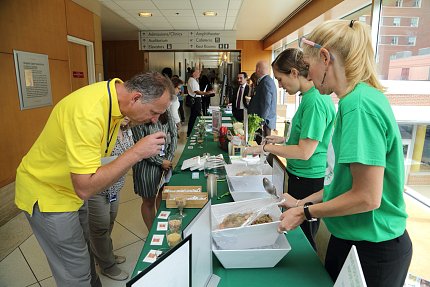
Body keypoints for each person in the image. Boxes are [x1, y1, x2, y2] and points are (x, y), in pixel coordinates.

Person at [278, 20, 413, 286]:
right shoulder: (356, 99)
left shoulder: (358, 107)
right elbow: (345, 185)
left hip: (374, 248)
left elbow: (367, 197)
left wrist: (306, 213)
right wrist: (301, 203)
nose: (309, 76)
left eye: (309, 65)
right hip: (356, 241)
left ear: (325, 58)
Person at [15, 72, 174, 287]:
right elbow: (85, 187)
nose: (155, 119)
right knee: (75, 271)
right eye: (154, 112)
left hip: (69, 190)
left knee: (84, 254)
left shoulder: (114, 100)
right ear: (136, 98)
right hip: (49, 193)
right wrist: (136, 152)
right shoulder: (89, 112)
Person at [243, 48, 335, 250]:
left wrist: (266, 148)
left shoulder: (315, 101)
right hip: (301, 175)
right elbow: (312, 138)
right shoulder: (310, 98)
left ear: (294, 72)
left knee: (303, 237)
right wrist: (283, 140)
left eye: (280, 79)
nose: (280, 86)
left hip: (308, 178)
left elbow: (305, 151)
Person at [88, 117, 134, 281]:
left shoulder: (127, 129)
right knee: (99, 228)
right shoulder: (101, 131)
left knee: (110, 221)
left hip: (115, 187)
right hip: (97, 189)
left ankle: (105, 255)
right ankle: (107, 266)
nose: (126, 116)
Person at [132, 110, 178, 230]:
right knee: (149, 201)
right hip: (146, 167)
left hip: (165, 163)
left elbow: (173, 135)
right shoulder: (139, 117)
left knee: (162, 196)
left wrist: (168, 159)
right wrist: (160, 162)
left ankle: (162, 224)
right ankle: (152, 230)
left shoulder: (166, 113)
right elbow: (140, 147)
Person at [248, 61, 277, 138]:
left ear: (257, 69)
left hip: (264, 123)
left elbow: (266, 104)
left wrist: (260, 122)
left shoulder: (265, 82)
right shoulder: (266, 80)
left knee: (263, 144)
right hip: (263, 121)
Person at [186, 68, 214, 137]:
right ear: (193, 73)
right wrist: (207, 93)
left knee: (194, 116)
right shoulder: (192, 80)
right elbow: (197, 91)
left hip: (197, 99)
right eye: (198, 72)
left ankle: (191, 132)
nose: (199, 74)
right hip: (195, 100)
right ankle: (190, 133)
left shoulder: (194, 80)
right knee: (195, 117)